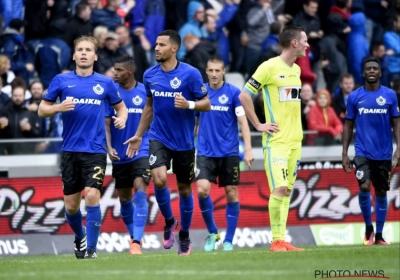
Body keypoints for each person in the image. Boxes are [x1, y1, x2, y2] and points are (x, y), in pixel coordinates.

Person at [38, 35, 128, 259]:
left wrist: (122, 119)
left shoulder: (105, 83)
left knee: (92, 195)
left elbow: (122, 108)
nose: (84, 53)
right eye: (80, 49)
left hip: (95, 150)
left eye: (88, 49)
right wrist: (59, 107)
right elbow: (42, 109)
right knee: (71, 206)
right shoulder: (61, 80)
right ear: (74, 55)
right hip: (70, 150)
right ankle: (80, 236)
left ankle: (92, 249)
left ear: (95, 56)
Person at [124, 29, 211, 256]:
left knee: (184, 189)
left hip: (183, 142)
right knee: (159, 178)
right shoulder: (150, 75)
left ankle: (184, 235)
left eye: (161, 45)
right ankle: (170, 221)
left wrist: (189, 105)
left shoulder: (191, 74)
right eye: (156, 45)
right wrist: (139, 134)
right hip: (158, 136)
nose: (156, 48)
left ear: (174, 48)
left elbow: (206, 104)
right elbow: (149, 107)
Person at [239, 25, 309, 252]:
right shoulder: (268, 67)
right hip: (276, 142)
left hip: (295, 142)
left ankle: (281, 239)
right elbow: (244, 95)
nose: (308, 44)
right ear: (294, 43)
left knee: (287, 191)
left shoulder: (296, 70)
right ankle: (275, 241)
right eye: (305, 40)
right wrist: (258, 124)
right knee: (279, 188)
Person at [195, 57, 253, 252]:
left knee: (231, 193)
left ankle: (228, 240)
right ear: (206, 71)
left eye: (217, 71)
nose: (213, 74)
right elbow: (193, 121)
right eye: (210, 70)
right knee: (202, 190)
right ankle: (213, 233)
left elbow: (243, 122)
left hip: (229, 152)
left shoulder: (233, 93)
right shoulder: (200, 92)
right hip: (205, 152)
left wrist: (249, 149)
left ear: (223, 71)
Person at [342, 56, 399, 246]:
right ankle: (368, 228)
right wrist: (344, 153)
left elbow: (396, 124)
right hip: (362, 152)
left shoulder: (390, 95)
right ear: (364, 73)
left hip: (384, 153)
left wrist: (398, 148)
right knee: (365, 186)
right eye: (369, 69)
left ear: (380, 72)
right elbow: (348, 125)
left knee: (381, 191)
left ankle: (380, 235)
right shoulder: (355, 96)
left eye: (375, 68)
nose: (372, 71)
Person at [105, 56, 150, 255]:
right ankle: (134, 237)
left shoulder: (144, 92)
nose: (114, 73)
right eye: (114, 69)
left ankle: (136, 242)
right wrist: (108, 147)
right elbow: (106, 124)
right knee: (124, 197)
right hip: (119, 154)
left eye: (118, 70)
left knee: (140, 189)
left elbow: (152, 118)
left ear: (130, 71)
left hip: (142, 150)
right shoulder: (111, 94)